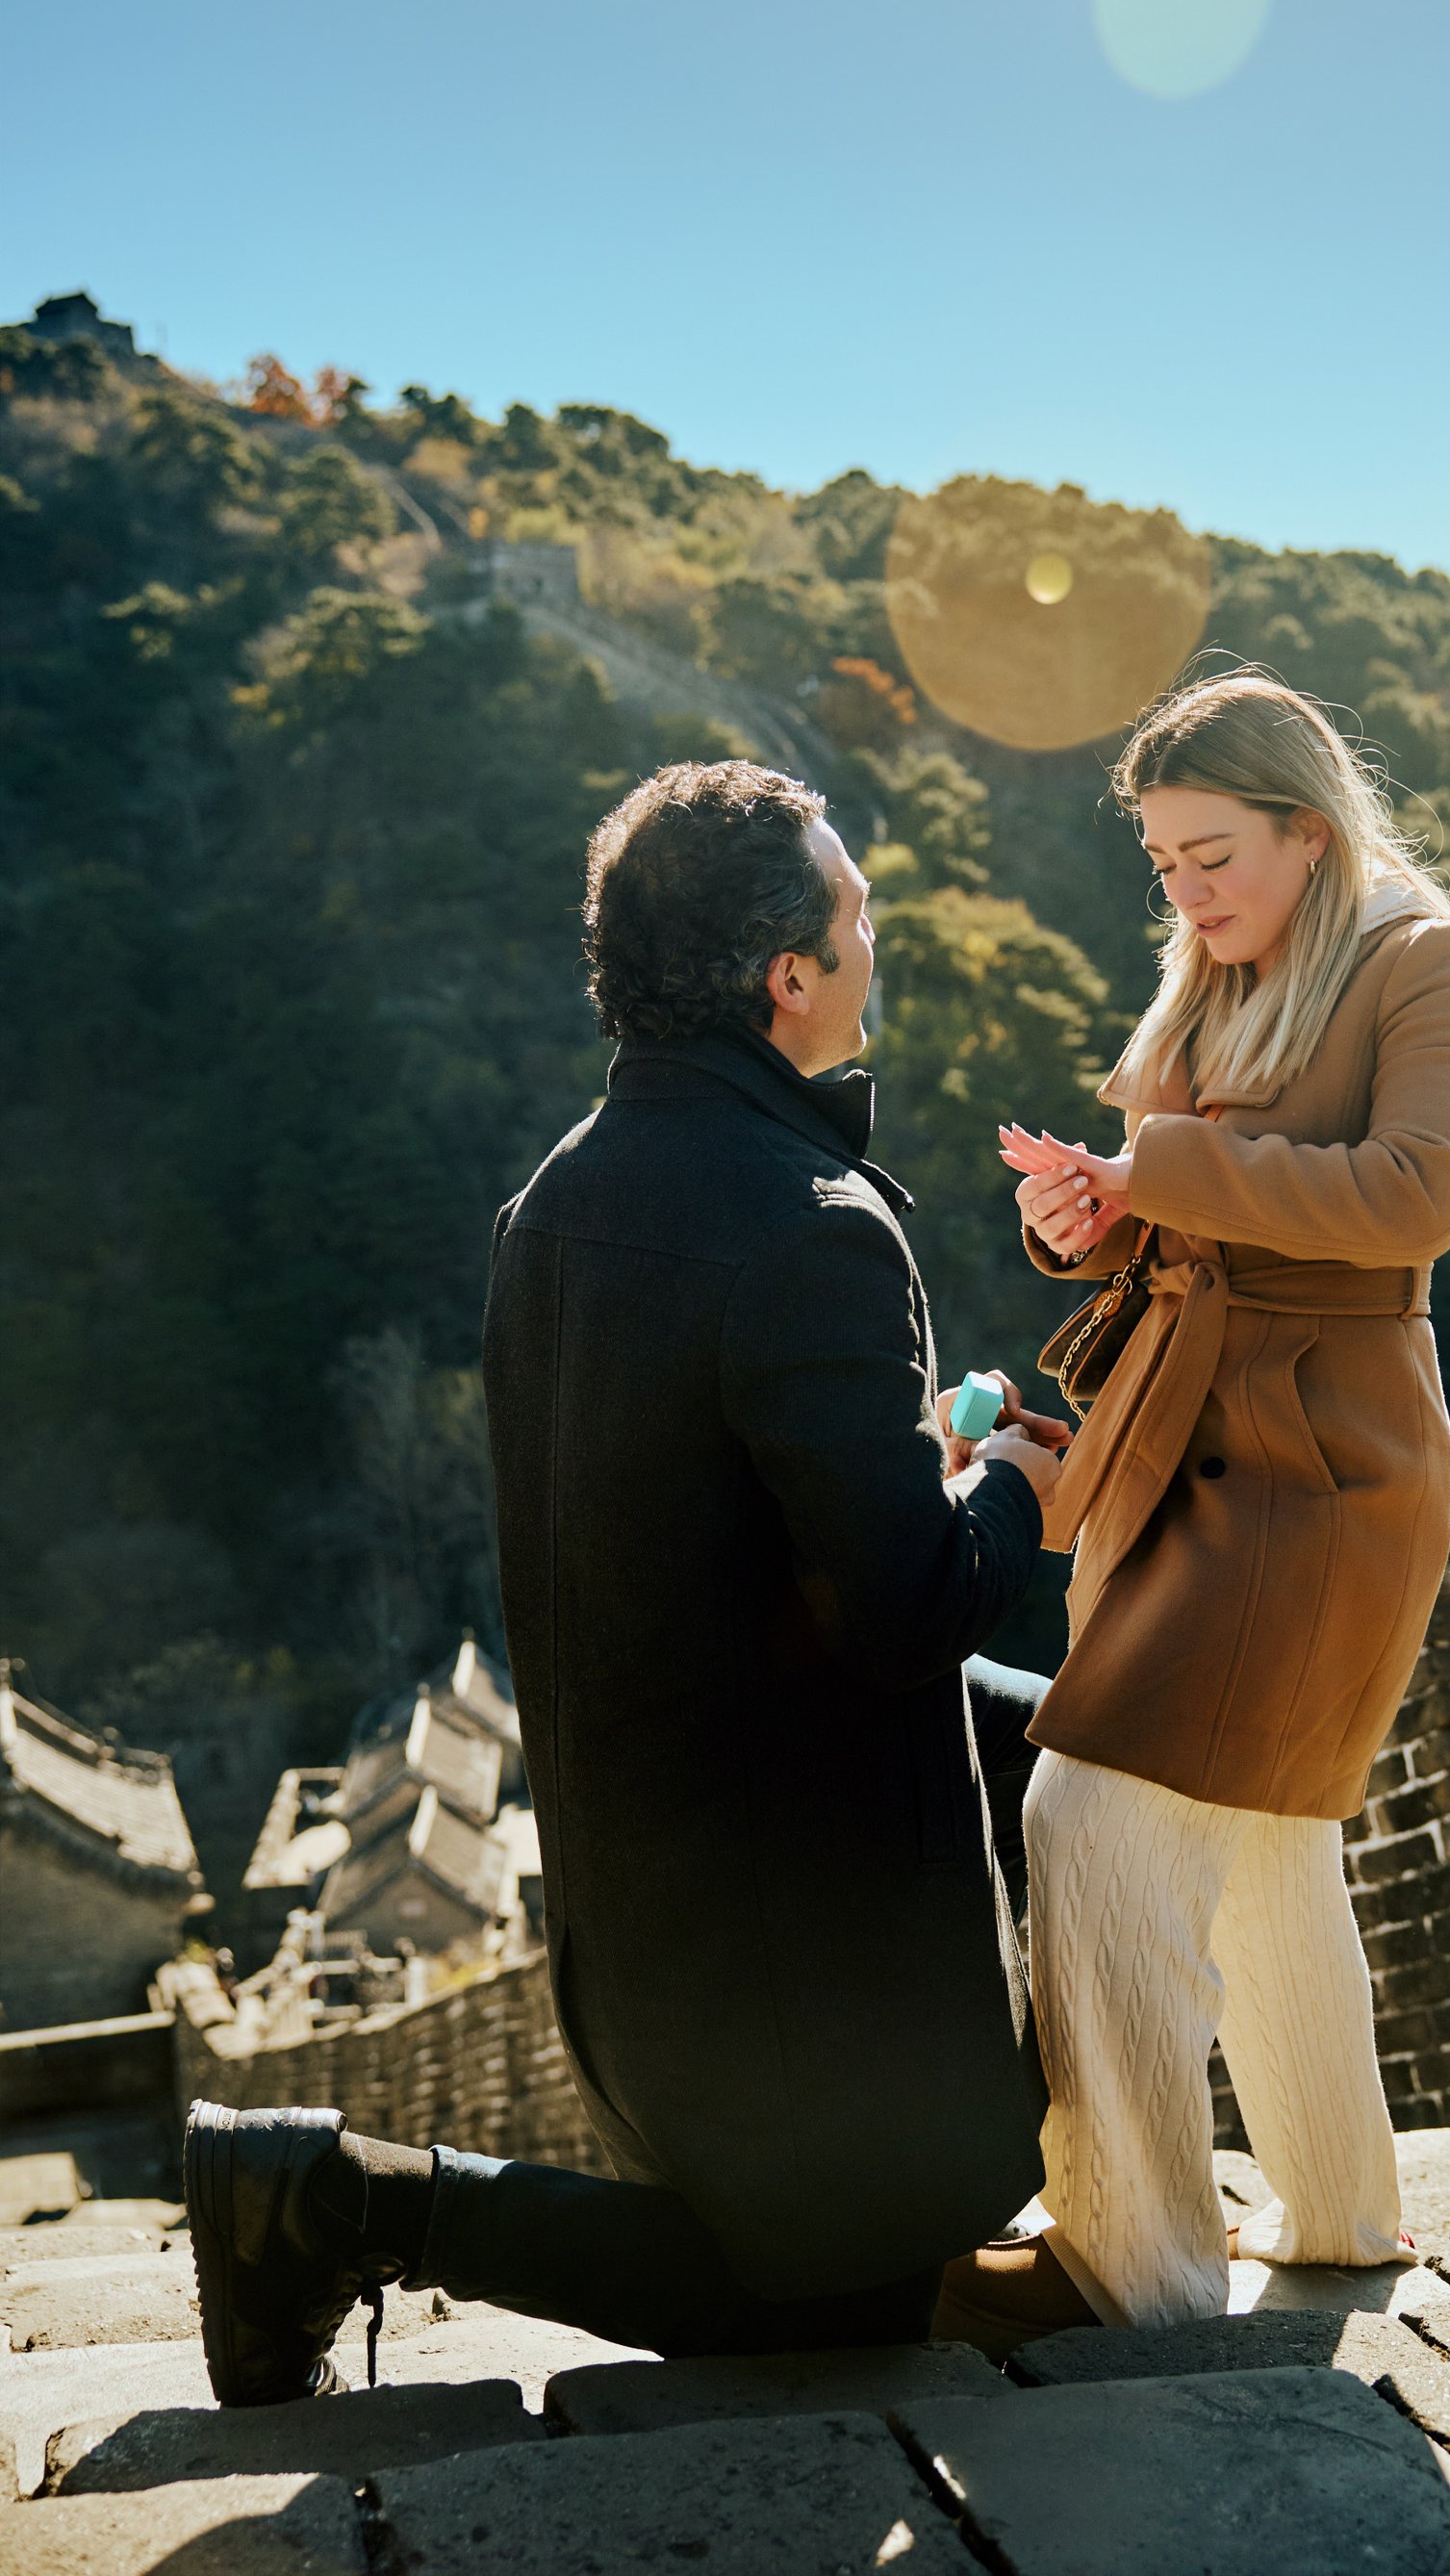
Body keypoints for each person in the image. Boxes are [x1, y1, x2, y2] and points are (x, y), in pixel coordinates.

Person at [186, 758, 1067, 2404]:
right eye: (858, 911)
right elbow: (906, 1611)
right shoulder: (812, 1223)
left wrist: (926, 1473)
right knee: (838, 2318)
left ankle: (1041, 2204)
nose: (877, 935)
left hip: (641, 1910)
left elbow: (699, 1528)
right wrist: (1019, 1491)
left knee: (1083, 1737)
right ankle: (329, 2197)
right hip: (799, 1941)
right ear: (787, 976)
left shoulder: (556, 1200)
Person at [935, 672, 1450, 2352]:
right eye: (1164, 864)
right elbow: (1166, 1215)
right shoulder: (1214, 974)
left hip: (1319, 1461)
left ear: (1308, 832)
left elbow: (1420, 1196)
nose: (1184, 894)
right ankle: (1336, 2214)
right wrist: (1086, 1215)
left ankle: (1132, 2256)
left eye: (1213, 857)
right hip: (1179, 1429)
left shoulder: (1435, 962)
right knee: (1262, 1836)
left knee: (1093, 1809)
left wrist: (1159, 1175)